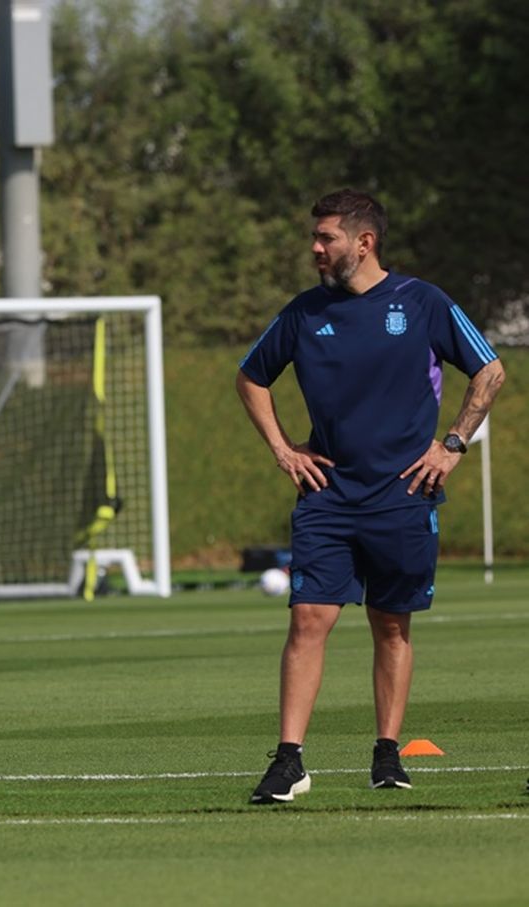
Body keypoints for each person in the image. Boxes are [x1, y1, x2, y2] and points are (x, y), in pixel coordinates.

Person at [237, 189, 504, 805]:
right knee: (309, 618)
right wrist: (284, 450)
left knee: (391, 624)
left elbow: (489, 369)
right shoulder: (302, 313)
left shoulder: (423, 302)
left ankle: (387, 754)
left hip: (405, 493)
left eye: (326, 237)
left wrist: (452, 446)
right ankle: (289, 761)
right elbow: (251, 376)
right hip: (329, 494)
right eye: (315, 237)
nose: (315, 249)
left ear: (365, 242)